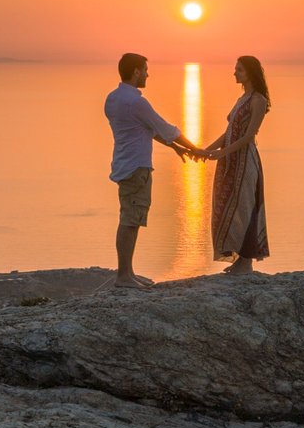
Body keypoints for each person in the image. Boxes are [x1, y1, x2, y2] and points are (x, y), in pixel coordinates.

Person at [104, 52, 202, 289]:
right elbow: (164, 127)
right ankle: (124, 276)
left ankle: (126, 273)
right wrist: (195, 148)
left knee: (131, 218)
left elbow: (146, 129)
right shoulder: (136, 102)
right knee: (130, 220)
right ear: (136, 71)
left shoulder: (113, 98)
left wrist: (174, 147)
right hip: (137, 167)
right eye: (145, 69)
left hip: (124, 164)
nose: (148, 74)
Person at [204, 56, 270, 274]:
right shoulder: (242, 98)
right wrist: (207, 150)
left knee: (245, 207)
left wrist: (221, 152)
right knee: (227, 207)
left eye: (239, 70)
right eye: (235, 69)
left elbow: (249, 136)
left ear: (250, 73)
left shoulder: (258, 100)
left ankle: (246, 260)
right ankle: (239, 258)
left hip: (245, 161)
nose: (235, 73)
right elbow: (229, 132)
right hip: (230, 161)